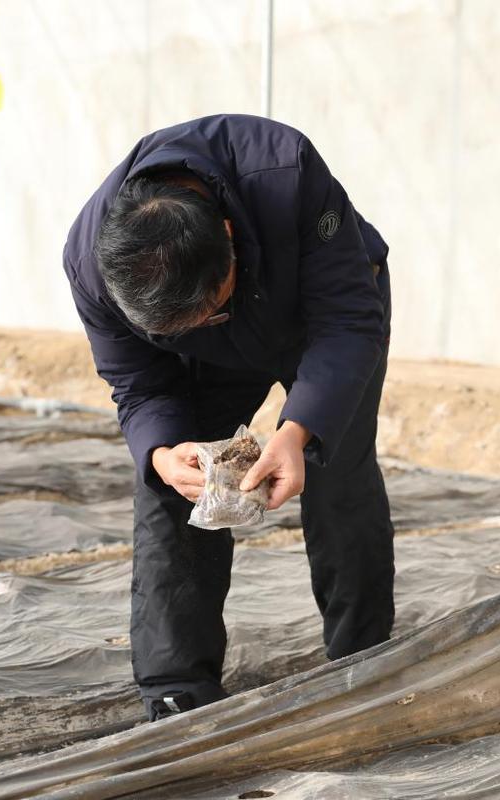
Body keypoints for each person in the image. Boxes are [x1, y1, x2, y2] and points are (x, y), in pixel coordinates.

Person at [64, 114, 395, 720]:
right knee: (176, 488)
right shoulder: (92, 265)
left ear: (227, 234)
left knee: (337, 475)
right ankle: (177, 691)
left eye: (210, 309)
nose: (203, 322)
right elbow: (138, 383)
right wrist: (163, 452)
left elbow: (347, 319)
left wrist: (298, 430)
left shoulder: (285, 172)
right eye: (175, 326)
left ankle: (362, 664)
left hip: (319, 316)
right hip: (204, 355)